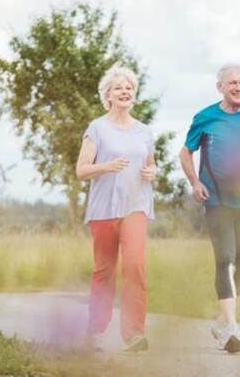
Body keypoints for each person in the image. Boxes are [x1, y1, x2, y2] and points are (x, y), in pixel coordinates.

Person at [179, 63, 240, 353]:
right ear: (220, 87)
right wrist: (194, 182)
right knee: (225, 259)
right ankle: (232, 329)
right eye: (232, 83)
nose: (238, 88)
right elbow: (185, 152)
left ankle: (222, 320)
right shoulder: (205, 117)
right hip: (216, 200)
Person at [76, 65, 156, 353]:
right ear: (107, 95)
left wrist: (152, 172)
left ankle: (134, 334)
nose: (125, 91)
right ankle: (95, 331)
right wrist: (106, 166)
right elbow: (81, 170)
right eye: (119, 87)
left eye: (129, 88)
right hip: (104, 209)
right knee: (105, 271)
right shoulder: (97, 128)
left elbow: (150, 164)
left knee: (134, 266)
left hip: (135, 206)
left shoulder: (144, 131)